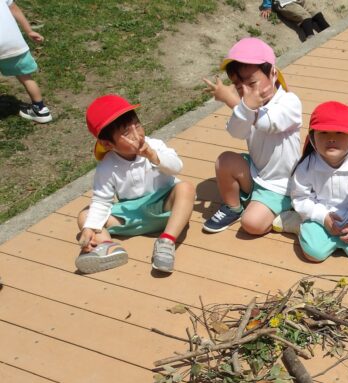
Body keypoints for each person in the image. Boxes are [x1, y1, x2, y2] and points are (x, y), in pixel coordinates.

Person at [75, 95, 196, 274]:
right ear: (107, 144)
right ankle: (107, 247)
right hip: (131, 217)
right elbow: (101, 201)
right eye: (126, 133)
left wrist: (154, 156)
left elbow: (176, 167)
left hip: (164, 209)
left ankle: (166, 241)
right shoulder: (106, 166)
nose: (137, 134)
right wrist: (89, 228)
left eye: (137, 125)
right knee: (85, 216)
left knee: (186, 188)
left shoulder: (154, 145)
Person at [202, 37, 301, 236]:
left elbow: (269, 123)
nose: (246, 91)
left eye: (252, 82)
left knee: (251, 224)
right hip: (257, 172)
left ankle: (287, 213)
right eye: (238, 86)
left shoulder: (289, 102)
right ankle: (233, 207)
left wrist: (234, 102)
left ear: (273, 73)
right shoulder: (246, 107)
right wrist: (242, 108)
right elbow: (236, 132)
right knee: (224, 161)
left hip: (281, 185)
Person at [287, 101, 348, 262]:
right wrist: (322, 216)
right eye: (323, 133)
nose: (331, 138)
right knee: (313, 253)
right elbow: (300, 197)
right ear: (312, 137)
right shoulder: (306, 166)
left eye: (339, 133)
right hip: (320, 216)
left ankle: (339, 237)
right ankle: (297, 224)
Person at [0, 0, 51, 123]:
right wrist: (29, 31)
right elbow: (15, 9)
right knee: (25, 76)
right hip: (13, 43)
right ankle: (40, 110)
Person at [260, 0, 329, 41]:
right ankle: (311, 39)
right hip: (285, 3)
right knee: (304, 16)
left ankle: (331, 32)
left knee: (316, 13)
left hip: (299, 1)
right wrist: (267, 6)